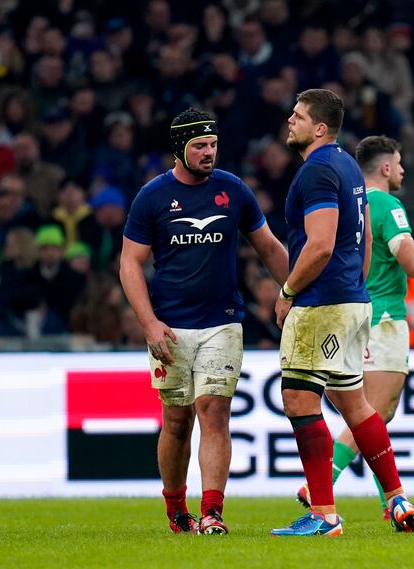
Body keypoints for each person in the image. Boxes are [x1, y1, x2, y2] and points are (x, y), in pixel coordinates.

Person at [119, 107, 288, 535]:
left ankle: (213, 511)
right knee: (176, 419)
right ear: (179, 147)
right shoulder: (152, 197)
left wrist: (296, 292)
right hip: (169, 327)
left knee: (214, 412)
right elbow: (130, 265)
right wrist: (148, 323)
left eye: (213, 144)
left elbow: (268, 248)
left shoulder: (234, 190)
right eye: (199, 145)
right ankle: (177, 509)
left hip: (222, 322)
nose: (209, 152)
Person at [271, 89, 414, 537]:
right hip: (355, 299)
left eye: (297, 116)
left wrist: (287, 290)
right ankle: (397, 499)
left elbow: (319, 243)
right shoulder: (348, 167)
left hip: (321, 302)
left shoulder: (316, 171)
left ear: (320, 127)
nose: (289, 121)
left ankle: (323, 514)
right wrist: (356, 285)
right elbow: (366, 241)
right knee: (355, 403)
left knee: (299, 398)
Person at [294, 135, 414, 520]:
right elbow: (413, 264)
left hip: (345, 317)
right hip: (384, 319)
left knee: (365, 412)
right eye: (400, 163)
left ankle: (390, 503)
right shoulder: (387, 204)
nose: (403, 170)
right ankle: (326, 485)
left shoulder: (345, 201)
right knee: (373, 413)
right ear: (386, 167)